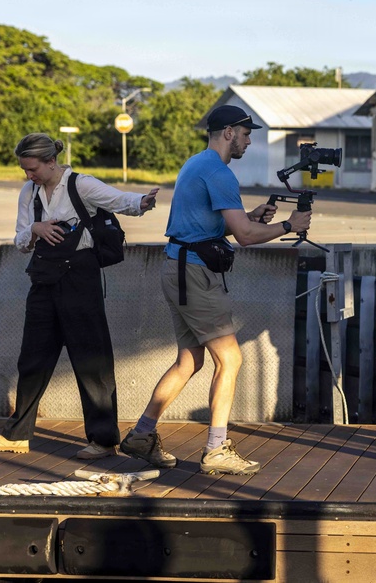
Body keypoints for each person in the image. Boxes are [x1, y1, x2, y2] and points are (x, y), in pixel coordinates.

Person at [120, 105, 312, 476]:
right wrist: (290, 225)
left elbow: (208, 225)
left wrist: (248, 216)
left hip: (177, 268)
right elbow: (246, 237)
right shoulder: (220, 173)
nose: (249, 141)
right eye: (246, 134)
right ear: (228, 133)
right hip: (194, 273)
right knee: (230, 359)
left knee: (189, 360)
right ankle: (216, 449)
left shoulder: (196, 164)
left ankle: (142, 434)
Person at [0, 132, 159, 459]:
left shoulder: (80, 184)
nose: (28, 175)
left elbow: (118, 200)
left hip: (80, 277)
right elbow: (20, 240)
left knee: (91, 359)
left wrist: (142, 202)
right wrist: (35, 230)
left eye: (33, 168)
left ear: (51, 161)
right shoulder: (29, 191)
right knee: (32, 359)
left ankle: (103, 441)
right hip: (44, 278)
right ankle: (17, 435)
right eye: (24, 169)